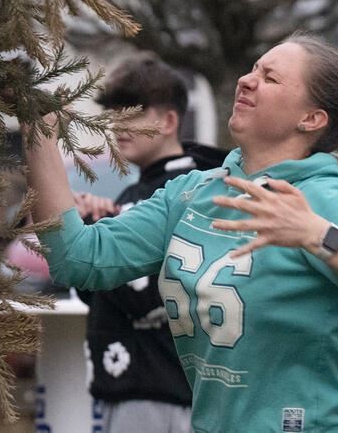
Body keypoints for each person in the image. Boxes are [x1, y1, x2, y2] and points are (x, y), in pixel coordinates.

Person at [24, 33, 338, 433]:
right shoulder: (192, 192)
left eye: (270, 77)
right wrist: (37, 133)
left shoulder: (326, 198)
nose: (247, 80)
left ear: (311, 119)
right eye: (254, 69)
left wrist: (316, 234)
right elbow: (77, 258)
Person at [74, 56, 224, 433]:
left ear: (169, 121)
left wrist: (98, 231)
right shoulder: (135, 192)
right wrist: (91, 232)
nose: (117, 126)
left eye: (132, 115)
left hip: (164, 392)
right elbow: (94, 292)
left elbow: (149, 298)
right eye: (114, 115)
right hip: (135, 384)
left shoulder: (192, 192)